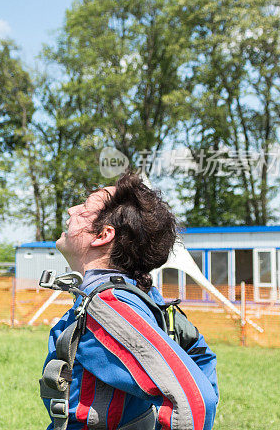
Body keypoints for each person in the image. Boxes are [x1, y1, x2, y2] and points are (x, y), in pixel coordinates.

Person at [41, 171, 218, 430]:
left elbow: (195, 401)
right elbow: (200, 355)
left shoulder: (108, 305)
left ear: (103, 235)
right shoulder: (141, 296)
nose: (71, 210)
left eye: (84, 209)